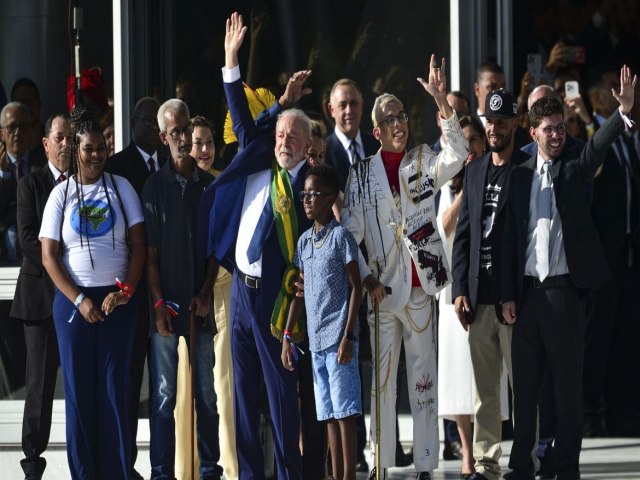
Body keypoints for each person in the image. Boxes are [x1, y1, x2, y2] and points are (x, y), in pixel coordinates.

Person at [501, 66, 636, 480]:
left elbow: (596, 149)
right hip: (525, 297)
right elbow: (508, 241)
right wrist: (507, 294)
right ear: (534, 133)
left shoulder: (573, 167)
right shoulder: (518, 174)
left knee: (566, 391)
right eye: (549, 129)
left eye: (561, 127)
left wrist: (622, 112)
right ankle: (522, 466)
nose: (557, 134)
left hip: (562, 295)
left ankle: (566, 467)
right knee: (525, 392)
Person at [340, 55, 468, 480]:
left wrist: (442, 105)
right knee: (382, 385)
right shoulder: (360, 175)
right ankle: (382, 462)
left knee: (424, 380)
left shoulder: (422, 159)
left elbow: (460, 153)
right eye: (391, 119)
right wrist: (368, 276)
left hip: (421, 287)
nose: (400, 124)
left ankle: (427, 463)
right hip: (381, 293)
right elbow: (349, 235)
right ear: (376, 131)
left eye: (403, 117)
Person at [39, 105, 146, 479]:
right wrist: (80, 300)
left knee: (115, 392)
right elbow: (49, 257)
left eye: (101, 147)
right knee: (80, 396)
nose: (97, 155)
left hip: (117, 301)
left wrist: (127, 291)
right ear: (74, 151)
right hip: (73, 305)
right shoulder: (60, 196)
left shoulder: (122, 188)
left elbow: (140, 245)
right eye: (88, 148)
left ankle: (117, 472)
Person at [143, 99, 222, 480]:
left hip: (199, 306)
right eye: (174, 131)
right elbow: (150, 254)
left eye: (185, 128)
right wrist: (158, 304)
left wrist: (206, 293)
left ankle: (210, 469)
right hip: (166, 306)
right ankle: (161, 472)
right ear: (162, 137)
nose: (182, 137)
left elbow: (215, 249)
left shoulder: (208, 184)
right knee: (162, 398)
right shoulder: (154, 187)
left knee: (207, 395)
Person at [451, 91, 527, 480]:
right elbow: (463, 234)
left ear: (515, 122)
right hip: (478, 298)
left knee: (523, 388)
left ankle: (526, 459)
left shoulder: (527, 168)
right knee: (485, 392)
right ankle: (485, 463)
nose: (494, 129)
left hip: (515, 299)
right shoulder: (476, 169)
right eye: (490, 122)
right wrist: (459, 290)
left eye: (501, 122)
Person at [282, 164, 362, 480]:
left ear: (330, 199)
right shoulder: (304, 243)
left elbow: (356, 286)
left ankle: (348, 476)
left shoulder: (341, 237)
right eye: (305, 194)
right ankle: (334, 474)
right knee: (328, 415)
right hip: (314, 343)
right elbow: (300, 293)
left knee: (345, 416)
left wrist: (348, 336)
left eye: (314, 194)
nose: (307, 199)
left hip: (338, 341)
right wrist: (287, 334)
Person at [9, 113, 73, 480]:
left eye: (70, 138)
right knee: (39, 389)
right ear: (46, 144)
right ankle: (32, 465)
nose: (66, 145)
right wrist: (66, 261)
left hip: (79, 300)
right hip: (41, 300)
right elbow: (28, 239)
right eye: (59, 138)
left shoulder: (84, 183)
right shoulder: (31, 184)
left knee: (81, 383)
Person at [107, 95, 165, 480]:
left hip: (162, 294)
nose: (149, 126)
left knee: (163, 392)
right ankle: (124, 466)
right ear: (132, 123)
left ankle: (164, 467)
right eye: (144, 119)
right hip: (128, 292)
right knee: (127, 388)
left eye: (153, 121)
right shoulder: (115, 168)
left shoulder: (175, 166)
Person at [183, 113, 237, 479]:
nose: (203, 150)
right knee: (187, 387)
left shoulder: (225, 184)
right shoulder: (182, 186)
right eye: (196, 142)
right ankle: (185, 468)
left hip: (225, 290)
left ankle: (229, 468)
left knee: (224, 384)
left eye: (208, 142)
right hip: (191, 297)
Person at [437, 114, 487, 479]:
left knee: (484, 376)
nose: (470, 148)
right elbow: (442, 229)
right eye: (464, 142)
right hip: (452, 290)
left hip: (486, 285)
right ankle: (467, 453)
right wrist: (467, 185)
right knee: (458, 376)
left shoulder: (496, 175)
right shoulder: (445, 185)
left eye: (475, 141)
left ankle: (487, 451)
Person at [0, 101, 46, 263]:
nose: (18, 133)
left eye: (23, 127)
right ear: (2, 134)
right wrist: (4, 175)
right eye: (12, 127)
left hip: (37, 253)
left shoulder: (43, 165)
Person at [325, 78, 380, 192]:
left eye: (354, 103)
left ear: (362, 106)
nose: (349, 110)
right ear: (331, 110)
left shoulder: (377, 146)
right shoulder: (324, 152)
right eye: (342, 105)